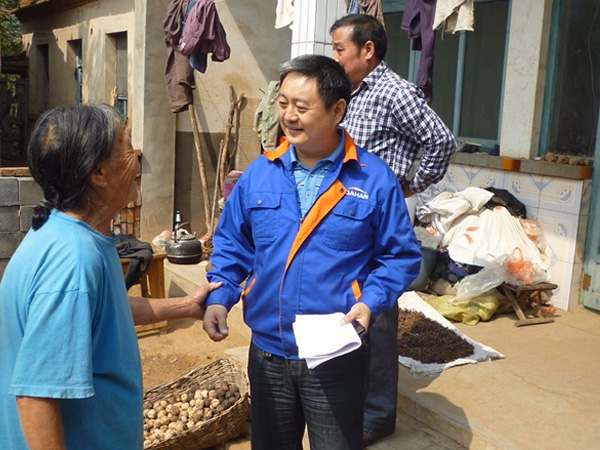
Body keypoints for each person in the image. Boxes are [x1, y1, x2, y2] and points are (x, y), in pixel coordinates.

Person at [201, 53, 421, 450]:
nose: (288, 115)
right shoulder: (259, 173)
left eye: (301, 107)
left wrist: (370, 302)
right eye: (283, 103)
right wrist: (221, 295)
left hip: (335, 355)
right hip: (268, 352)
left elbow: (399, 256)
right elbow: (233, 243)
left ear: (338, 109)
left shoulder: (373, 179)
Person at [0, 103, 221, 450]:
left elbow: (104, 311)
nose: (136, 158)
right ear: (98, 174)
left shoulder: (68, 233)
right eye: (126, 146)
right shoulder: (73, 260)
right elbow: (35, 397)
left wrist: (187, 305)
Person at [330, 13, 457, 446]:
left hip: (379, 217)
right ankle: (350, 397)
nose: (334, 57)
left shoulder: (395, 92)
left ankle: (378, 415)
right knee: (346, 302)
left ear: (367, 51)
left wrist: (411, 182)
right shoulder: (347, 91)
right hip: (342, 214)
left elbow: (442, 140)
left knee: (377, 312)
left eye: (339, 49)